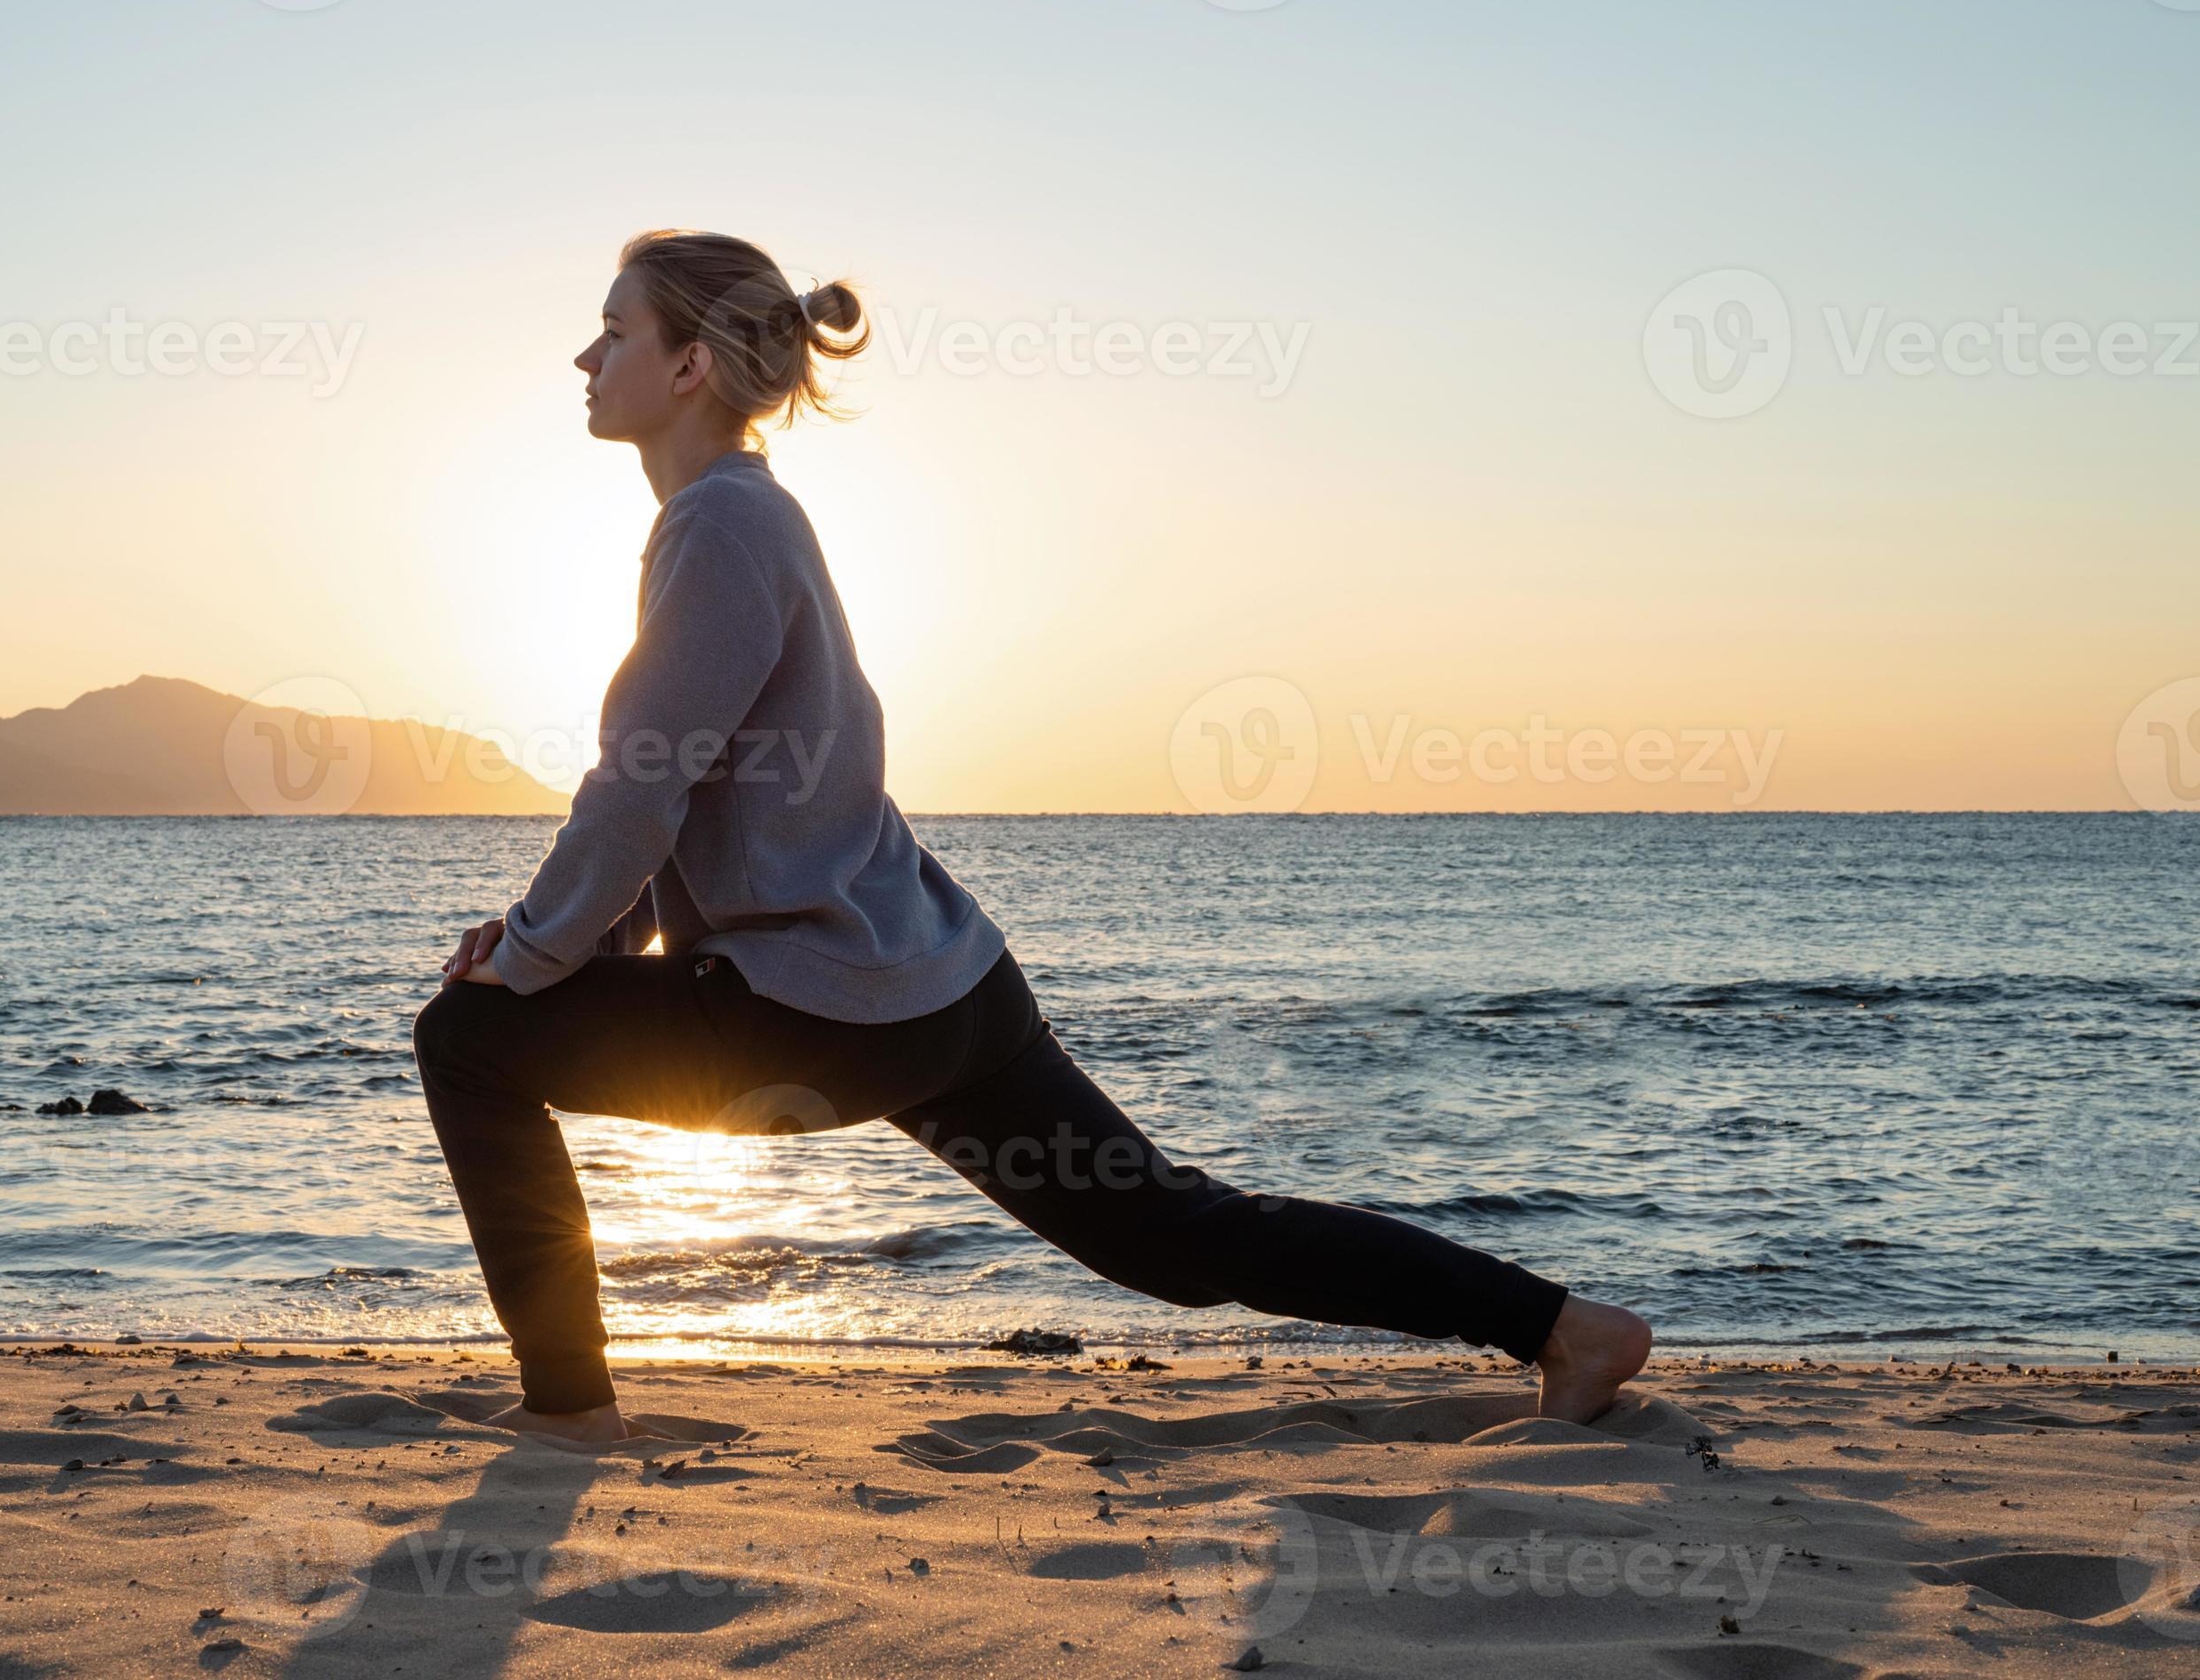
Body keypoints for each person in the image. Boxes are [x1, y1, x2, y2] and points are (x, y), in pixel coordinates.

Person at [411, 230, 1652, 1444]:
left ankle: (567, 1409)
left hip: (822, 1010)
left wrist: (528, 956)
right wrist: (563, 942)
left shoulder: (719, 527)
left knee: (468, 1038)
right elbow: (684, 795)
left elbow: (638, 787)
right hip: (944, 995)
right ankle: (1561, 1330)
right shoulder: (746, 517)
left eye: (614, 330)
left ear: (687, 367)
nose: (585, 356)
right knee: (1175, 1238)